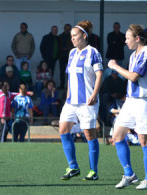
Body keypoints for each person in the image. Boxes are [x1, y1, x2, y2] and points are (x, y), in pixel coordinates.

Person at [108, 24, 147, 190]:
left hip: (144, 102)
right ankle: (129, 174)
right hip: (130, 102)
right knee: (117, 135)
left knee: (145, 141)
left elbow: (134, 77)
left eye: (127, 38)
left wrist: (115, 67)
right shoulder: (133, 55)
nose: (125, 41)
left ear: (137, 39)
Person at [58, 20, 103, 181]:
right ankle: (73, 167)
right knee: (63, 129)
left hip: (87, 102)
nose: (72, 38)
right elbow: (70, 76)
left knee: (89, 134)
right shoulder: (71, 53)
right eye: (71, 36)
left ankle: (93, 171)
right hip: (71, 101)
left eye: (75, 35)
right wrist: (68, 96)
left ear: (84, 36)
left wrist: (94, 94)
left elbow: (99, 74)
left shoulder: (93, 52)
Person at [58, 24, 73, 89]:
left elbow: (73, 46)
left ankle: (69, 85)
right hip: (61, 56)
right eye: (66, 28)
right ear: (64, 28)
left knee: (70, 71)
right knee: (62, 71)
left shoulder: (72, 36)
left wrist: (67, 48)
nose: (67, 30)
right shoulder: (60, 36)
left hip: (69, 56)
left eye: (68, 28)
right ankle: (62, 85)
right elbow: (58, 45)